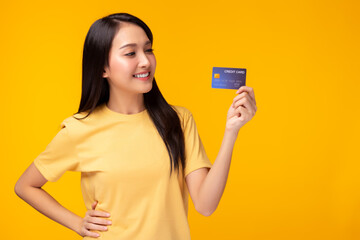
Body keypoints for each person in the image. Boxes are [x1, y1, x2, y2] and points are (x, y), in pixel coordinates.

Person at [14, 12, 257, 240]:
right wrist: (77, 223)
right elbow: (25, 186)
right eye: (130, 53)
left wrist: (231, 132)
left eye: (149, 49)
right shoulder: (80, 129)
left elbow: (205, 205)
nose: (145, 61)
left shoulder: (179, 120)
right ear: (102, 68)